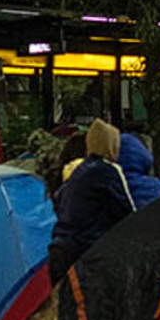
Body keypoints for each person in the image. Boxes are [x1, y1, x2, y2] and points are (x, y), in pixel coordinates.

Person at [47, 118, 137, 281]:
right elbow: (128, 213)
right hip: (86, 255)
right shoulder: (109, 170)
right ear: (112, 146)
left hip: (60, 251)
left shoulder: (79, 170)